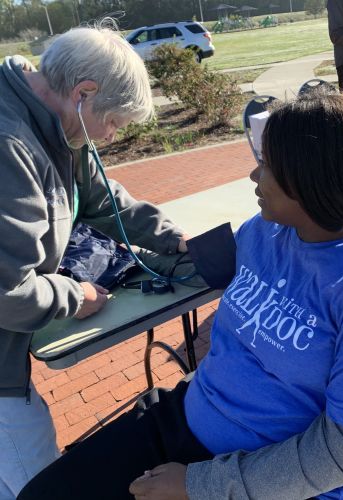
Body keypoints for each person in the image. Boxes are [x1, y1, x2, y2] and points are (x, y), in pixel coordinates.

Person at [18, 92, 343, 500]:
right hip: (188, 418)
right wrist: (125, 260)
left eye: (266, 165)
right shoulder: (266, 231)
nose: (254, 177)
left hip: (274, 480)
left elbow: (335, 458)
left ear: (311, 181)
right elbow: (199, 266)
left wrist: (198, 486)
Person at [0, 24, 189, 499]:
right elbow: (8, 293)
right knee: (43, 483)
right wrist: (74, 294)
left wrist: (175, 240)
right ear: (85, 92)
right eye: (115, 123)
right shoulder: (10, 145)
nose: (109, 136)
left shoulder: (58, 118)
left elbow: (103, 199)